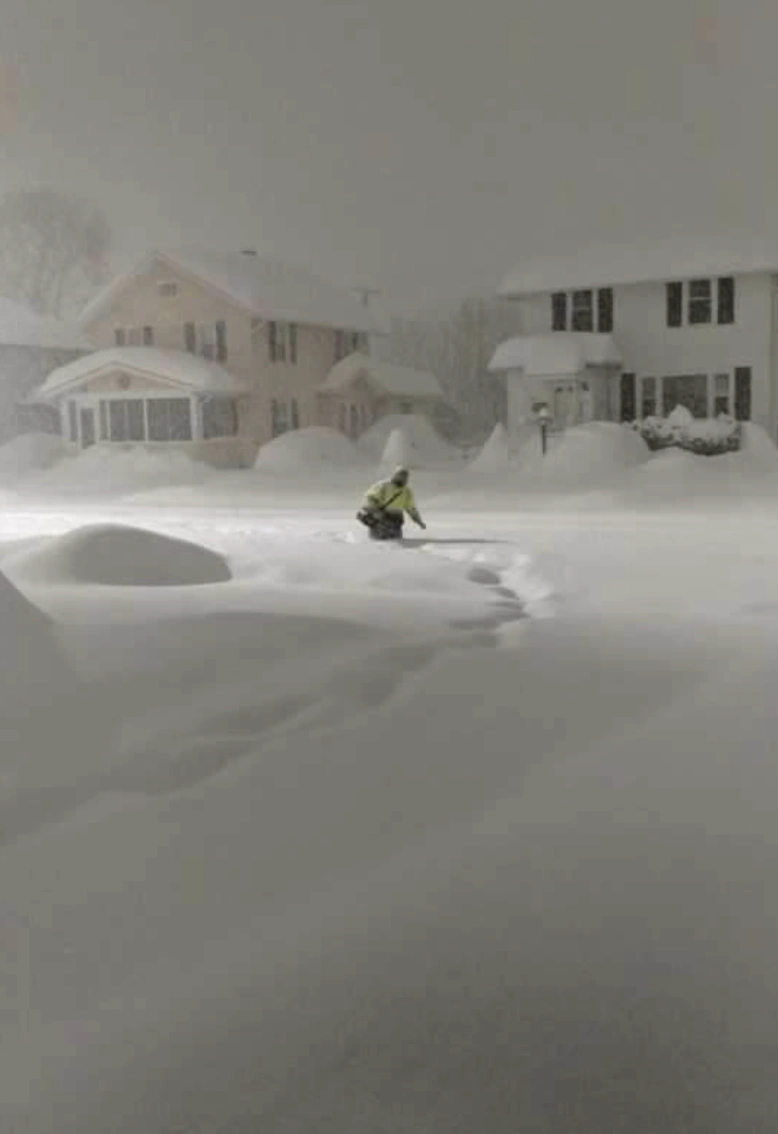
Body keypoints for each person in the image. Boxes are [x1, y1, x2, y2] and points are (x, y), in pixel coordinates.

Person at [357, 466, 426, 540]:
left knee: (396, 540)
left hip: (396, 519)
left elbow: (411, 509)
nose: (402, 478)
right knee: (378, 540)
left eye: (405, 476)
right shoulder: (383, 485)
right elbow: (370, 498)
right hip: (381, 517)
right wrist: (375, 511)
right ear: (395, 475)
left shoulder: (407, 491)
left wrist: (419, 522)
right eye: (400, 475)